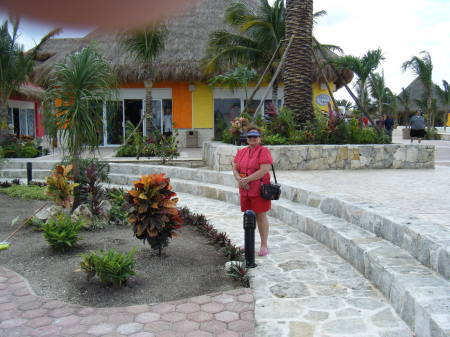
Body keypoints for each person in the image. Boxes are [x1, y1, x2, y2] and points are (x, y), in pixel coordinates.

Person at [232, 126, 273, 256]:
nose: (252, 139)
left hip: (259, 190)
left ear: (259, 138)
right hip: (245, 190)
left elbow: (264, 169)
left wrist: (247, 179)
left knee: (260, 216)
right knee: (248, 216)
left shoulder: (263, 151)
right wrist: (240, 180)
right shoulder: (242, 152)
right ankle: (249, 242)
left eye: (255, 136)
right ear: (247, 138)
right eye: (250, 137)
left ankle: (264, 244)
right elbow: (235, 167)